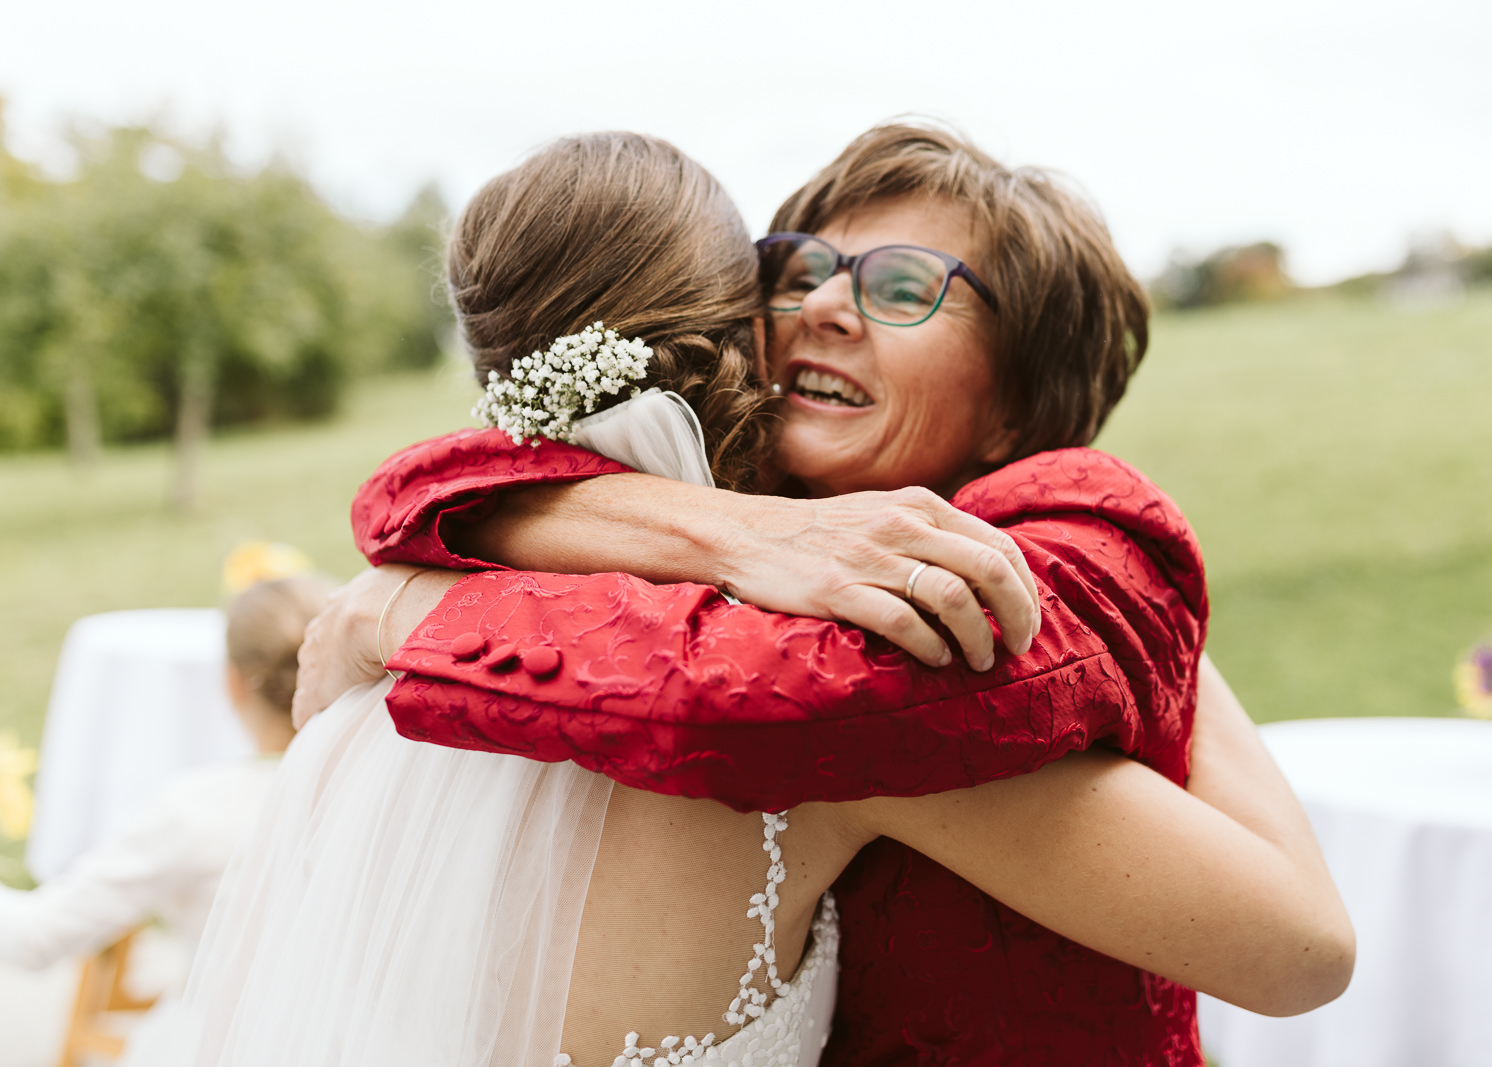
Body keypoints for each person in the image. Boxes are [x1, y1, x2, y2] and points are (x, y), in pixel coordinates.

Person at [294, 127, 1353, 1065]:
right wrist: (738, 528)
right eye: (799, 269)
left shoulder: (1044, 548)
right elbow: (427, 485)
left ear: (1016, 400)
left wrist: (399, 615)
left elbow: (1300, 947)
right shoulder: (762, 535)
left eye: (905, 287)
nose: (826, 306)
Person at [0, 574, 331, 1053]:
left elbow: (37, 937)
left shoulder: (198, 809)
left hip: (227, 1045)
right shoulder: (393, 798)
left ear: (233, 682)